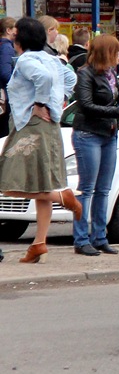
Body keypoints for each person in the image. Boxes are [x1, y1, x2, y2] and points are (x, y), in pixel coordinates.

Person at [0, 17, 80, 263]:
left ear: (20, 39)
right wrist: (56, 103)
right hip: (49, 125)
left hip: (31, 126)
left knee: (10, 181)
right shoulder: (52, 58)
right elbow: (71, 80)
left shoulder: (26, 60)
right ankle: (39, 243)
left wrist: (39, 104)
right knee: (42, 183)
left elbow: (44, 80)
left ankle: (64, 198)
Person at [70, 34, 119, 256]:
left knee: (104, 188)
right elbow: (86, 105)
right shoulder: (85, 74)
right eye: (117, 51)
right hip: (88, 134)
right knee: (87, 188)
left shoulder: (110, 73)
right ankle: (81, 239)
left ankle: (100, 237)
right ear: (106, 53)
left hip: (109, 133)